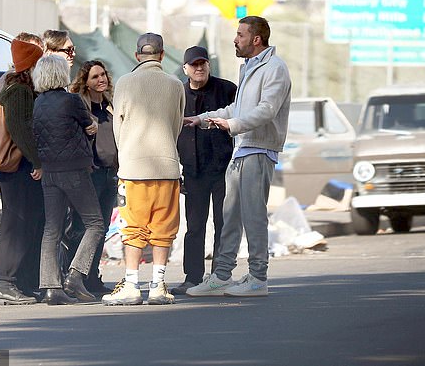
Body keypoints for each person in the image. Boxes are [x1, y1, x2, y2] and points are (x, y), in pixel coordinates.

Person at [184, 16, 291, 298]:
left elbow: (267, 110)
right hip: (242, 149)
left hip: (258, 149)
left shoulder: (274, 69)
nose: (235, 39)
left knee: (254, 216)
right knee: (229, 217)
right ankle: (221, 276)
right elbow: (236, 109)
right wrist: (202, 119)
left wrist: (233, 126)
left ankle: (258, 277)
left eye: (240, 35)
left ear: (256, 39)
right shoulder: (250, 67)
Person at [102, 33, 185, 306]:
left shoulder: (125, 83)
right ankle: (159, 284)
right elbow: (177, 125)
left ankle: (131, 284)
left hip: (134, 168)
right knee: (164, 228)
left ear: (137, 55)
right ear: (162, 55)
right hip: (167, 166)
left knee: (133, 228)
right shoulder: (175, 84)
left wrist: (126, 156)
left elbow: (118, 128)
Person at [32, 55, 104, 305]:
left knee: (51, 229)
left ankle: (51, 287)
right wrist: (92, 127)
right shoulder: (72, 100)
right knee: (95, 223)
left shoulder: (38, 103)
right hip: (74, 170)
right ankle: (75, 274)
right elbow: (89, 124)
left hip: (49, 172)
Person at [171, 46, 237, 295]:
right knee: (195, 226)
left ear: (209, 65)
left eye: (203, 64)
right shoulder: (177, 92)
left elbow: (240, 120)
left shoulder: (227, 89)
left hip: (223, 169)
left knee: (223, 223)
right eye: (194, 65)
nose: (199, 68)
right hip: (193, 170)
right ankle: (192, 277)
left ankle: (220, 275)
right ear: (185, 68)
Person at [0, 39, 45, 305]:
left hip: (19, 167)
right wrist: (37, 162)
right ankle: (5, 284)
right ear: (31, 65)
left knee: (25, 222)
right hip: (17, 169)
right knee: (15, 223)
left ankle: (18, 283)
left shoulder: (23, 89)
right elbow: (20, 130)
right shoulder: (19, 91)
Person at [68, 60, 118, 294]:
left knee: (103, 226)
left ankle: (92, 274)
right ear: (85, 83)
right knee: (85, 226)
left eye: (103, 75)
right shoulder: (82, 109)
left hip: (111, 173)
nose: (101, 80)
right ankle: (76, 274)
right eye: (95, 77)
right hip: (91, 173)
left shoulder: (112, 106)